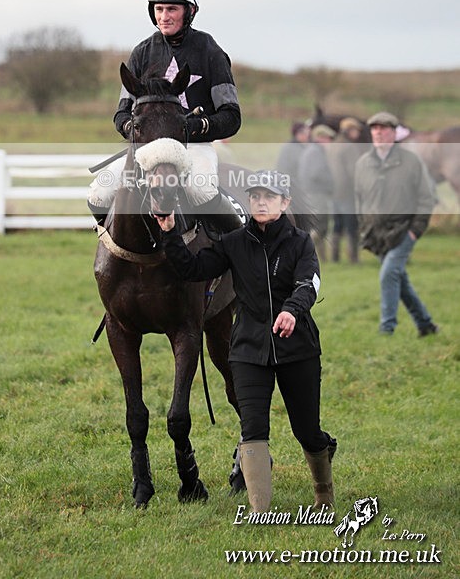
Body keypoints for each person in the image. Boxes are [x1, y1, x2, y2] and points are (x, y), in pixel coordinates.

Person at [155, 169, 337, 514]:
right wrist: (169, 234)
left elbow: (308, 283)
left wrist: (291, 312)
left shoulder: (300, 243)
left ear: (285, 202)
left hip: (297, 348)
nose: (261, 202)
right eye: (255, 197)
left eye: (269, 197)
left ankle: (324, 495)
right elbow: (193, 269)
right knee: (253, 428)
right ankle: (260, 511)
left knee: (307, 430)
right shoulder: (233, 242)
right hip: (248, 349)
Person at [87, 0, 242, 233]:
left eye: (172, 9)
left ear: (189, 12)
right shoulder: (141, 53)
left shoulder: (210, 51)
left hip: (194, 148)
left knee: (201, 190)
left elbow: (231, 117)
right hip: (146, 151)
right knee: (99, 194)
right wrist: (132, 128)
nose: (164, 17)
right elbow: (121, 114)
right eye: (159, 9)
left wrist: (191, 127)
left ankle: (241, 248)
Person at [354, 111, 439, 336]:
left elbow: (426, 198)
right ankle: (426, 325)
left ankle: (387, 328)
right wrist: (364, 227)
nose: (379, 133)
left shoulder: (411, 162)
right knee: (400, 280)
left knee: (389, 274)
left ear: (394, 133)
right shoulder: (363, 163)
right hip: (377, 234)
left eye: (384, 129)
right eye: (375, 129)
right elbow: (360, 199)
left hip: (404, 232)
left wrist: (415, 232)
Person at [328, 117, 367, 263]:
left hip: (334, 191)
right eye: (356, 130)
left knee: (337, 226)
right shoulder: (349, 147)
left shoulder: (333, 145)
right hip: (348, 191)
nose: (358, 133)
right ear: (349, 130)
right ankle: (353, 258)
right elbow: (354, 171)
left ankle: (334, 257)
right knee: (352, 226)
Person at [298, 125, 336, 262]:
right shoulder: (315, 152)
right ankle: (308, 254)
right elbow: (316, 174)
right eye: (329, 139)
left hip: (312, 194)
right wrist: (331, 184)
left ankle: (320, 259)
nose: (330, 142)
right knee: (320, 227)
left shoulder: (311, 151)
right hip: (317, 194)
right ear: (321, 138)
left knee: (319, 227)